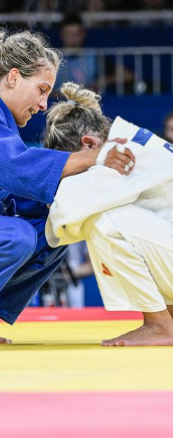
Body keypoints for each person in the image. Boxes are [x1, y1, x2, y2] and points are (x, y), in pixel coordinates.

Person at [0, 28, 135, 349]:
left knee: (53, 224)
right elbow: (15, 169)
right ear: (12, 77)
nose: (42, 104)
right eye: (40, 90)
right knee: (14, 236)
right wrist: (95, 156)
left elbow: (26, 184)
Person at [45, 82, 173, 346]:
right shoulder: (133, 138)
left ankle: (159, 325)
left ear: (89, 144)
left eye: (75, 164)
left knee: (103, 220)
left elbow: (66, 214)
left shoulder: (117, 152)